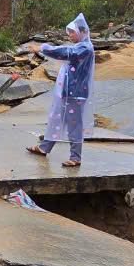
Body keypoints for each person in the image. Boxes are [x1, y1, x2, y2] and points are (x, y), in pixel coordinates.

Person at [25, 13, 95, 167]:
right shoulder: (80, 46)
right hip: (68, 92)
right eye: (68, 32)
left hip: (76, 94)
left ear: (82, 32)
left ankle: (76, 157)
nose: (70, 35)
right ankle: (44, 148)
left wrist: (42, 48)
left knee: (74, 125)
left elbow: (66, 52)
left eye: (72, 32)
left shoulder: (85, 48)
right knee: (56, 119)